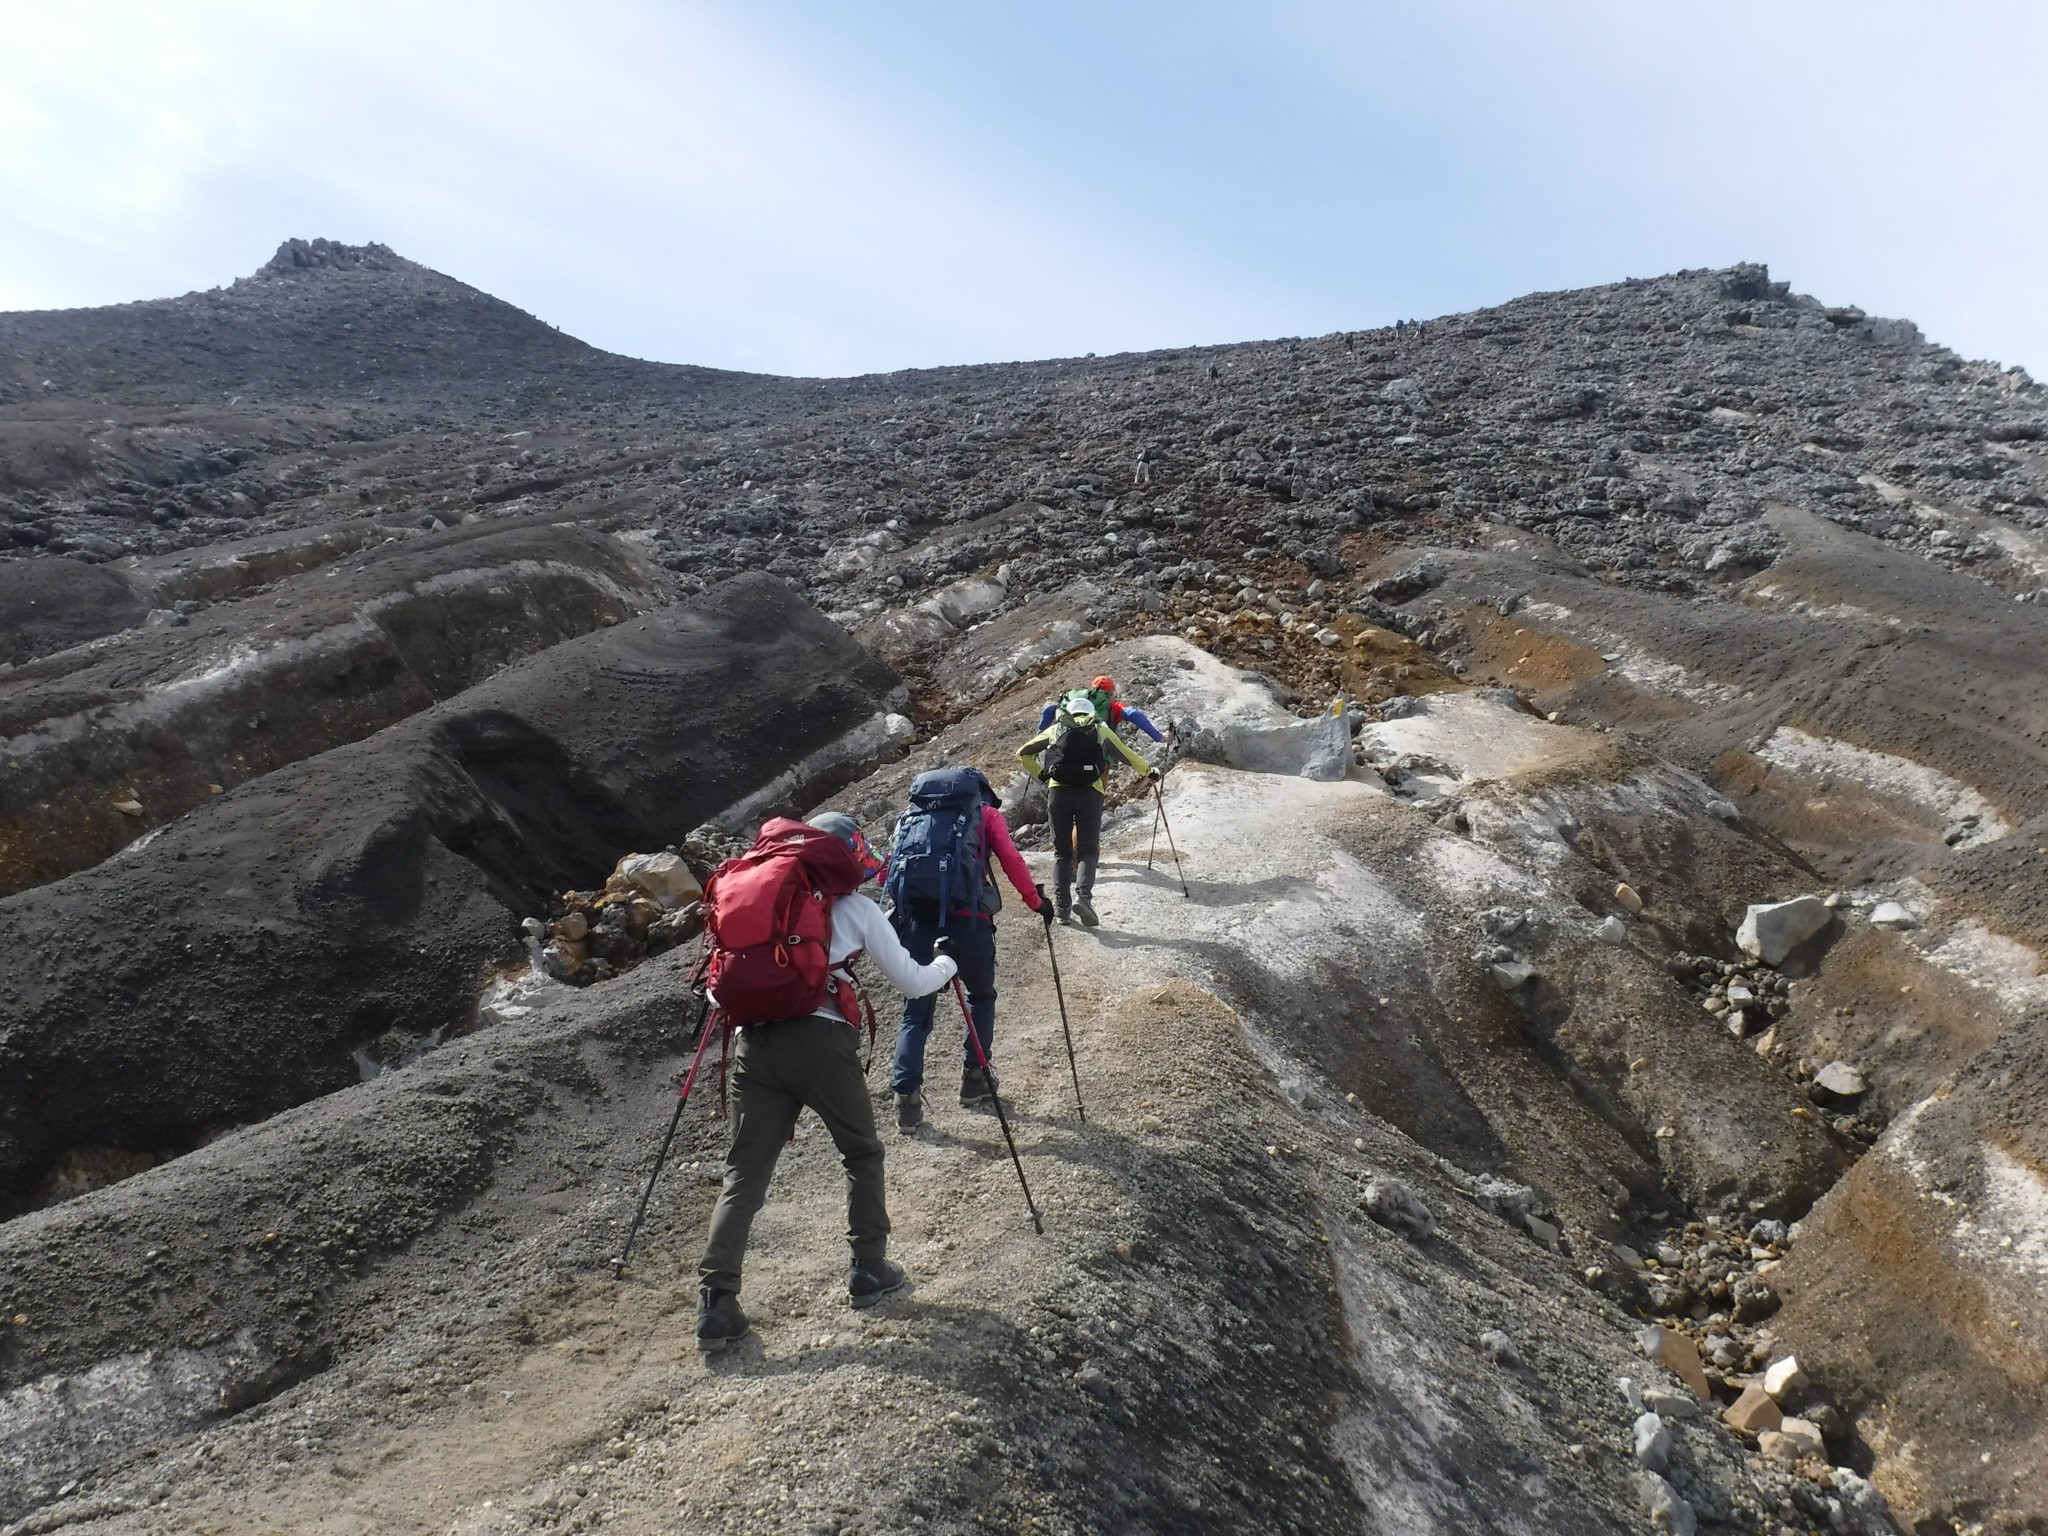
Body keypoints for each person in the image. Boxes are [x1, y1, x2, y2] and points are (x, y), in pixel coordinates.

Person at [695, 811, 957, 1352]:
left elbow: (717, 991)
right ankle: (868, 1267)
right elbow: (911, 983)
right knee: (861, 1152)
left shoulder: (761, 906)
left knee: (744, 1174)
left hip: (756, 1043)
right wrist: (947, 965)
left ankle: (716, 1302)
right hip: (820, 1041)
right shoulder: (857, 909)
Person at [882, 767, 1047, 1126]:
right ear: (979, 792)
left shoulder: (912, 818)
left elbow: (888, 874)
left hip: (920, 924)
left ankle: (906, 1100)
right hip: (969, 922)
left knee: (917, 1007)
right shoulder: (985, 815)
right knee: (981, 996)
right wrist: (1036, 902)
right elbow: (1011, 860)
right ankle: (974, 1080)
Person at [1017, 690, 1158, 927]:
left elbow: (1022, 753)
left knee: (1062, 854)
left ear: (1068, 712)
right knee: (1088, 852)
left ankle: (1062, 911)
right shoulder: (1100, 728)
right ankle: (1083, 898)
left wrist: (1041, 775)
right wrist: (1148, 771)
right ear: (1091, 713)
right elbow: (1126, 754)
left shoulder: (1055, 729)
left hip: (1058, 794)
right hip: (1090, 793)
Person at [1034, 675, 1167, 744]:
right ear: (1110, 693)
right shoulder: (1111, 706)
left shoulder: (1072, 701)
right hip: (1097, 748)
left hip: (1064, 742)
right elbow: (1134, 714)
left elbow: (1050, 710)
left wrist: (1039, 736)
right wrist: (1159, 737)